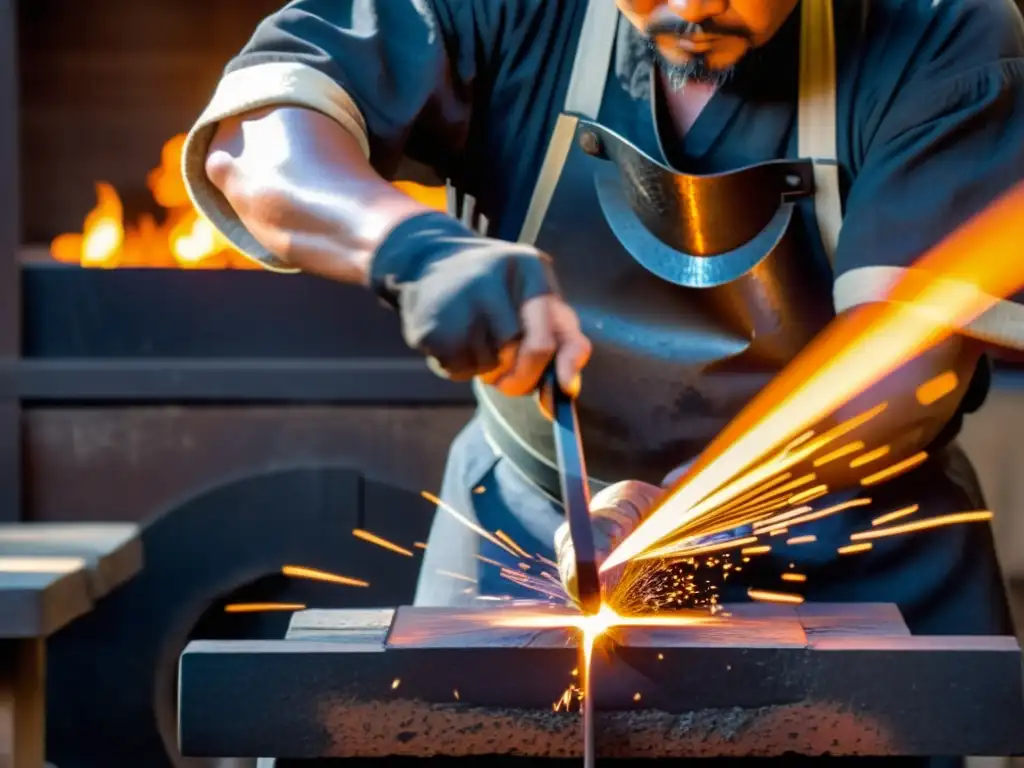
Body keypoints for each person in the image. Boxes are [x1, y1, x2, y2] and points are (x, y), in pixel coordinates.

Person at [181, 0, 1024, 644]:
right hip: (523, 536)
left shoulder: (945, 28)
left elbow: (906, 364)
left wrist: (677, 511)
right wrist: (413, 247)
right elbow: (261, 138)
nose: (694, 8)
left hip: (864, 571)